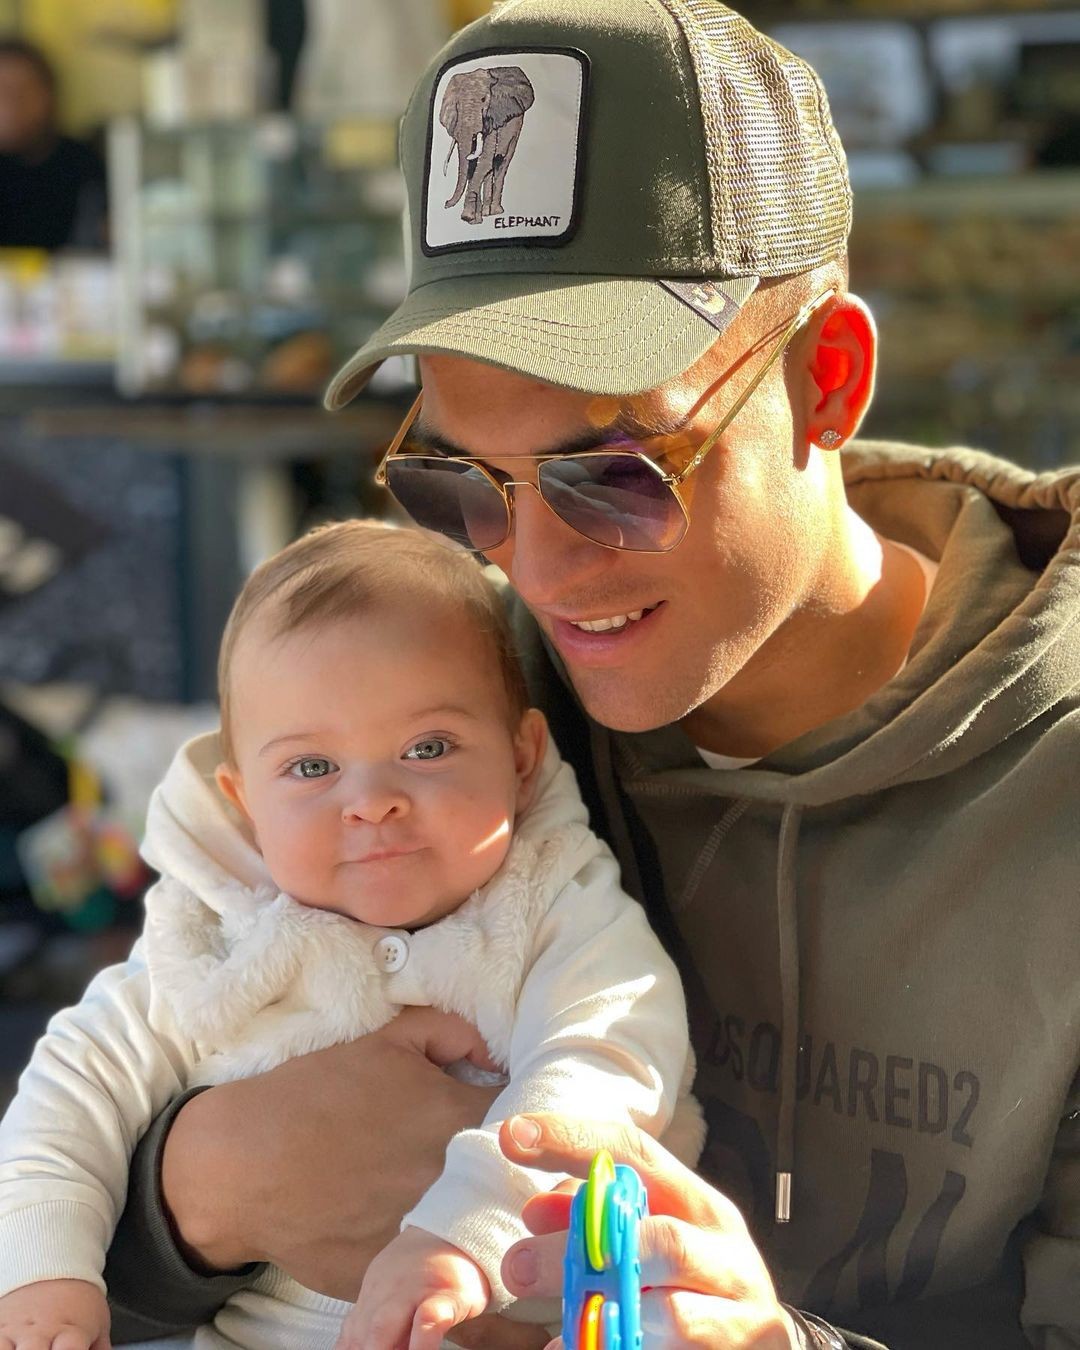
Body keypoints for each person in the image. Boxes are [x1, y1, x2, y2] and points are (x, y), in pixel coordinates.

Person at [98, 1, 1080, 1347]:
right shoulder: (445, 708)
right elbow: (110, 1110)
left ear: (830, 380)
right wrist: (195, 1188)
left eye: (614, 473)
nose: (537, 565)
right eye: (459, 482)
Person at [0, 521, 701, 1350]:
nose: (371, 801)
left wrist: (460, 1238)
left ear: (520, 758)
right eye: (311, 767)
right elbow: (73, 1087)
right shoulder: (215, 941)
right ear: (243, 801)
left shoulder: (558, 907)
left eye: (427, 748)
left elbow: (606, 1065)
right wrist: (42, 1273)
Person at [0, 39, 106, 251]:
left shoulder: (82, 164)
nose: (10, 103)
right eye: (1, 91)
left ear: (48, 95)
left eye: (22, 90)